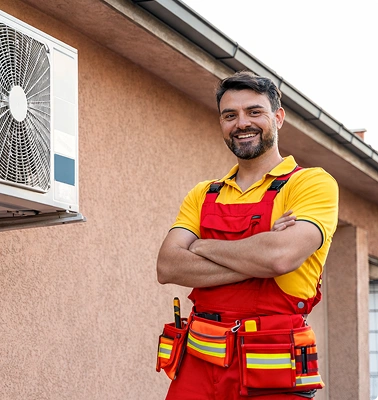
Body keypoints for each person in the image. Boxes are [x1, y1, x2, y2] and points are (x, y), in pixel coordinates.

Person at [156, 71, 338, 399]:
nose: (242, 123)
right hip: (197, 366)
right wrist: (259, 252)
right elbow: (168, 266)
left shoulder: (311, 184)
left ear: (278, 118)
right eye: (230, 115)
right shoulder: (203, 194)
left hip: (273, 371)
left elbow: (279, 256)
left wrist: (201, 245)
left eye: (254, 112)